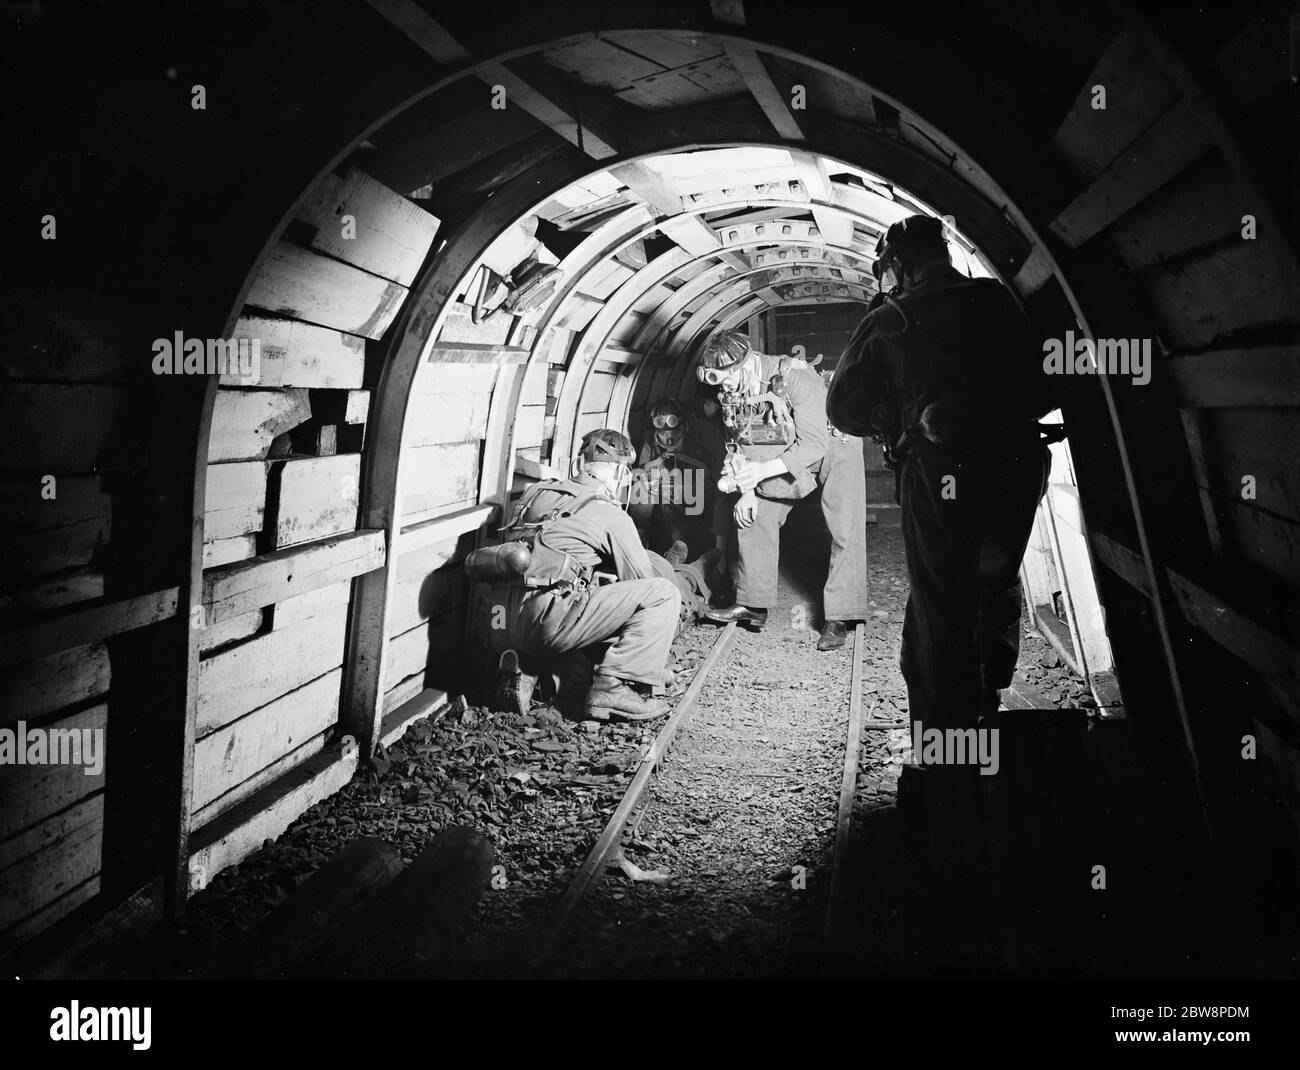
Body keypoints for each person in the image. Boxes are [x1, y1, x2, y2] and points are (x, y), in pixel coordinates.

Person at [827, 214, 1057, 923]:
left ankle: (948, 775)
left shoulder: (891, 314)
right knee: (996, 584)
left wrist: (895, 421)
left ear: (896, 262)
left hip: (941, 476)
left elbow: (842, 404)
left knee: (940, 611)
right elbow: (1051, 378)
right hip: (1018, 468)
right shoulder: (997, 302)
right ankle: (990, 710)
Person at [481, 429, 680, 722]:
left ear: (578, 464)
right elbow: (639, 580)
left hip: (497, 622)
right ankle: (612, 687)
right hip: (545, 624)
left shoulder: (536, 492)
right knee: (662, 594)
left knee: (566, 592)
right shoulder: (608, 511)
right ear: (619, 472)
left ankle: (527, 668)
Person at [698, 330, 869, 650]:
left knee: (844, 526)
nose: (724, 388)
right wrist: (748, 490)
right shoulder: (733, 392)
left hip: (833, 441)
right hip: (787, 441)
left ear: (747, 365)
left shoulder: (793, 376)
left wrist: (761, 471)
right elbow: (743, 444)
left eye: (727, 380)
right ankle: (752, 602)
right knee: (756, 511)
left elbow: (815, 444)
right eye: (719, 383)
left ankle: (840, 615)